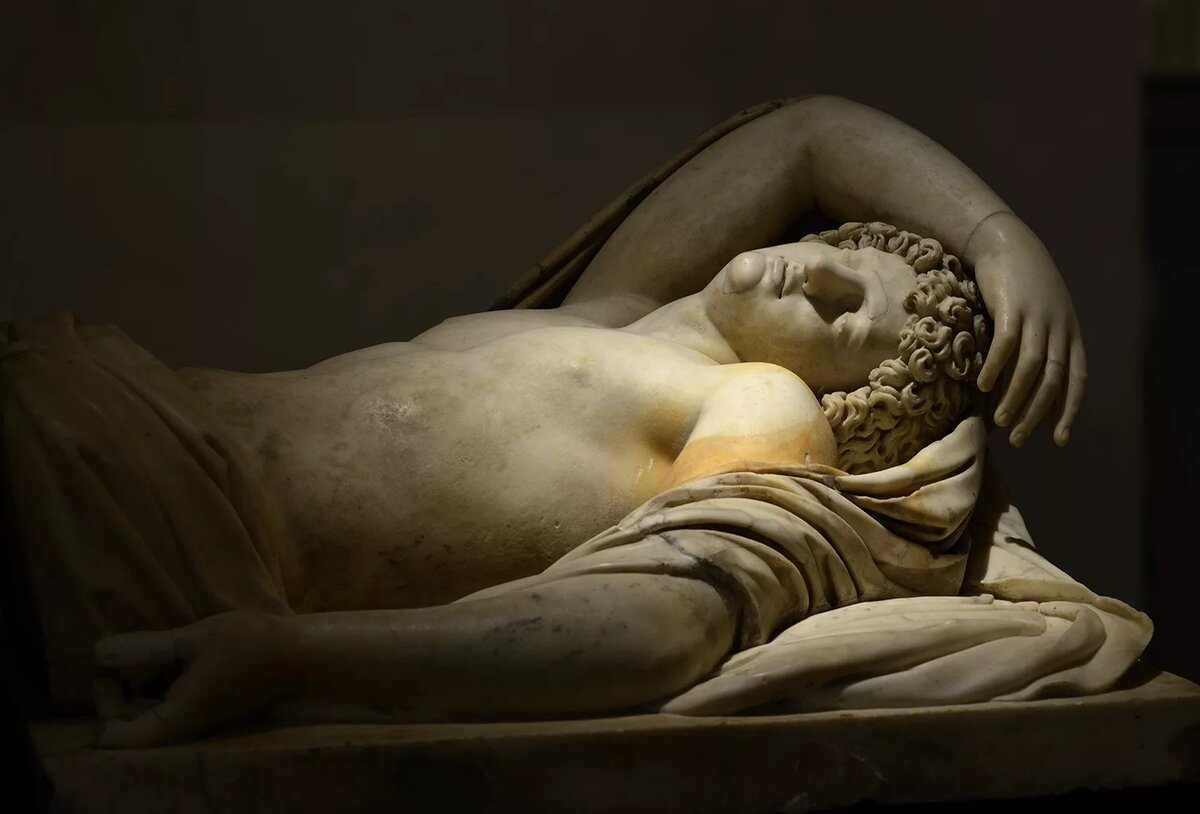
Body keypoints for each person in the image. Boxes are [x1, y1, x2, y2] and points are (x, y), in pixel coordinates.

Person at [0, 96, 1090, 746]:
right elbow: (805, 136)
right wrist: (997, 236)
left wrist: (289, 658)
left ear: (852, 398)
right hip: (101, 405)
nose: (823, 273)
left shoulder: (757, 401)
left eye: (848, 318)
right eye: (846, 251)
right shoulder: (609, 315)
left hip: (151, 529)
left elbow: (664, 620)